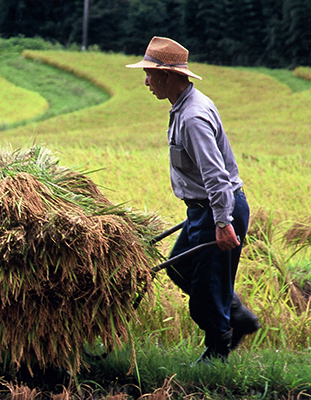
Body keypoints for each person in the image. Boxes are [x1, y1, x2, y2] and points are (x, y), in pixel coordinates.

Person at [125, 37, 260, 364]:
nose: (145, 81)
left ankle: (218, 352)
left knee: (204, 294)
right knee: (181, 268)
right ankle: (236, 315)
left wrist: (222, 222)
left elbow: (215, 175)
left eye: (149, 74)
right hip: (203, 210)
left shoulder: (193, 117)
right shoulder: (184, 106)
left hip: (218, 210)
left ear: (168, 75)